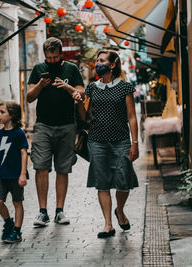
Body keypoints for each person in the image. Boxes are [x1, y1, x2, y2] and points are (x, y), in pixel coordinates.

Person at [74, 50, 139, 238]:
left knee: (123, 181)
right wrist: (79, 103)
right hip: (96, 140)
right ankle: (108, 224)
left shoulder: (125, 87)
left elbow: (132, 117)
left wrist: (135, 143)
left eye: (102, 60)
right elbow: (85, 117)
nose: (98, 63)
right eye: (97, 60)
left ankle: (120, 210)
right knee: (102, 183)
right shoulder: (92, 88)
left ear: (112, 65)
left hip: (121, 140)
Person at [27, 37, 84, 226]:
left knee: (62, 168)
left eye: (55, 57)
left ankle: (60, 211)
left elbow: (81, 94)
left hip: (67, 125)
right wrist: (40, 86)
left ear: (61, 54)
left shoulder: (71, 69)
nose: (51, 60)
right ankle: (42, 212)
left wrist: (68, 87)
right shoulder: (37, 69)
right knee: (41, 167)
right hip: (43, 125)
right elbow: (28, 98)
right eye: (48, 57)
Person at [0, 101, 29, 243]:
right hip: (2, 175)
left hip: (16, 175)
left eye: (2, 112)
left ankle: (17, 231)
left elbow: (24, 153)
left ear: (11, 115)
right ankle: (8, 222)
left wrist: (23, 174)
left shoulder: (19, 133)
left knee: (17, 202)